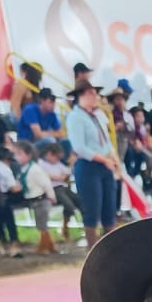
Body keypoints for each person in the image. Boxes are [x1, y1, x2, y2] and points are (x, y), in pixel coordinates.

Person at [64, 79, 122, 247]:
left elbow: (107, 141)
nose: (95, 96)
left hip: (105, 165)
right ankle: (93, 249)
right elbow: (80, 147)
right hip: (88, 166)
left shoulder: (98, 115)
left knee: (109, 208)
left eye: (95, 92)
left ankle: (112, 249)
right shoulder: (75, 117)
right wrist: (104, 159)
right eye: (90, 93)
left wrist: (114, 158)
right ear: (80, 96)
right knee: (92, 209)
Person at [9, 140, 59, 254]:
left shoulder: (35, 169)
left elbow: (46, 183)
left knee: (42, 225)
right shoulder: (23, 170)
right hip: (34, 200)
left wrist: (51, 196)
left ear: (29, 155)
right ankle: (51, 245)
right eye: (15, 154)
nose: (16, 157)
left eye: (19, 154)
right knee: (41, 224)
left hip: (42, 199)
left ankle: (44, 247)